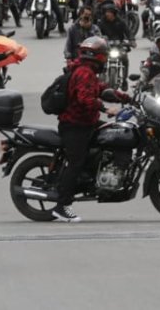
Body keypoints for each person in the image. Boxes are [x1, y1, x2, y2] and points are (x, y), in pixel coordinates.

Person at [53, 36, 125, 222]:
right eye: (104, 55)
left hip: (87, 122)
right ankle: (62, 206)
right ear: (96, 56)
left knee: (117, 131)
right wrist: (105, 108)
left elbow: (99, 88)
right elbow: (85, 99)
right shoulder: (83, 72)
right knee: (76, 163)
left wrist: (124, 96)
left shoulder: (88, 72)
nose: (105, 59)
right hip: (75, 125)